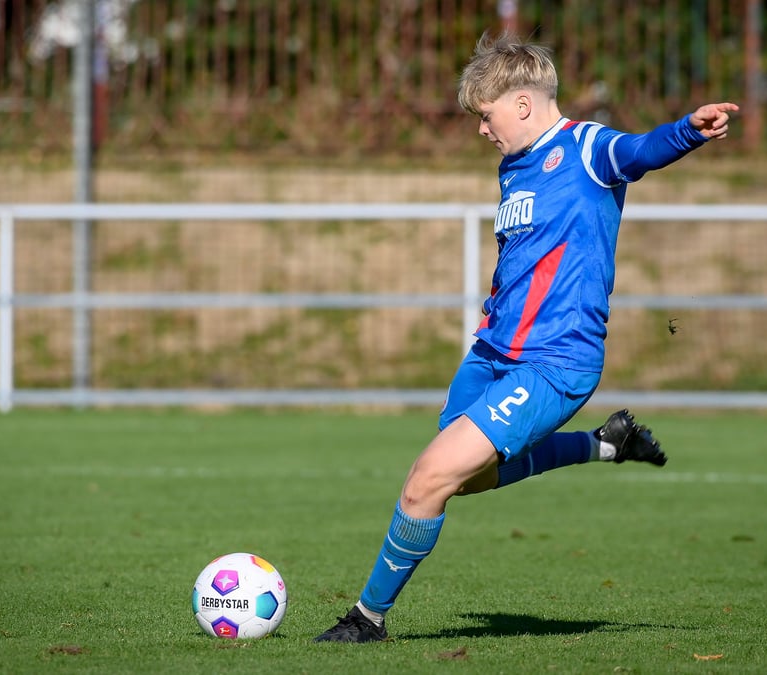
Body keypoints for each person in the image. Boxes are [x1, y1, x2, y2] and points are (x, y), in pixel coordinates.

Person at [314, 33, 739, 643]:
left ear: (520, 104)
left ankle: (366, 619)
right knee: (468, 478)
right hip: (491, 354)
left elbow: (641, 151)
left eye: (485, 117)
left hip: (554, 363)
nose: (482, 130)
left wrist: (688, 131)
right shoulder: (513, 167)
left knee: (426, 480)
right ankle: (606, 446)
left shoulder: (587, 147)